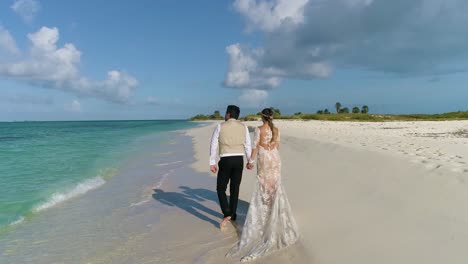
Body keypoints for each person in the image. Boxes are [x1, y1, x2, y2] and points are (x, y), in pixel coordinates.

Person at [227, 108, 299, 262]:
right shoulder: (277, 130)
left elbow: (255, 147)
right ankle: (274, 211)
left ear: (262, 117)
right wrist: (270, 149)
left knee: (264, 187)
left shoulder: (259, 130)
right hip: (275, 159)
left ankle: (266, 215)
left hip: (264, 159)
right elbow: (277, 146)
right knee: (274, 186)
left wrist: (250, 161)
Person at [209, 105, 252, 228]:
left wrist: (212, 162)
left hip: (226, 159)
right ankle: (233, 215)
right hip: (239, 159)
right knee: (235, 188)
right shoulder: (244, 127)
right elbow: (247, 145)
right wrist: (250, 160)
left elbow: (213, 145)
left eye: (225, 113)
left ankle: (227, 213)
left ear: (228, 114)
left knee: (221, 188)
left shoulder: (220, 126)